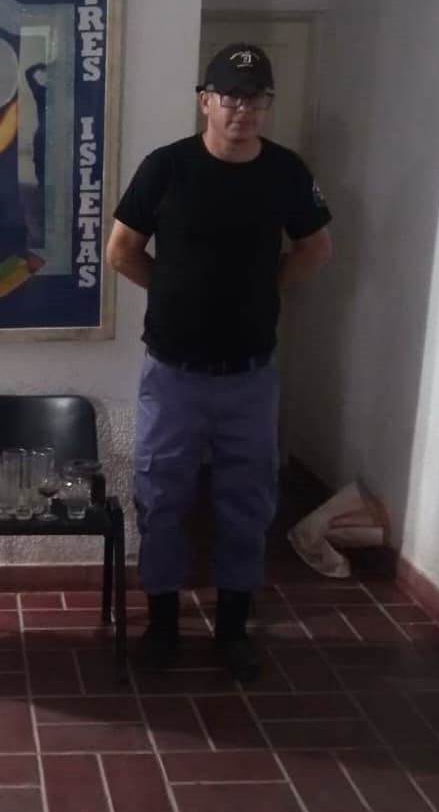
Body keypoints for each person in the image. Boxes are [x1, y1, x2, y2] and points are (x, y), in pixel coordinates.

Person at [107, 43, 333, 682]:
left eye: (256, 98)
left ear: (267, 105)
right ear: (205, 101)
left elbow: (317, 247)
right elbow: (122, 250)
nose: (243, 109)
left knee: (247, 503)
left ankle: (233, 630)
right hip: (173, 373)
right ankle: (162, 626)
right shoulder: (167, 167)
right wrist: (175, 292)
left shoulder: (285, 172)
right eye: (230, 96)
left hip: (249, 376)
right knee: (160, 497)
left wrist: (266, 287)